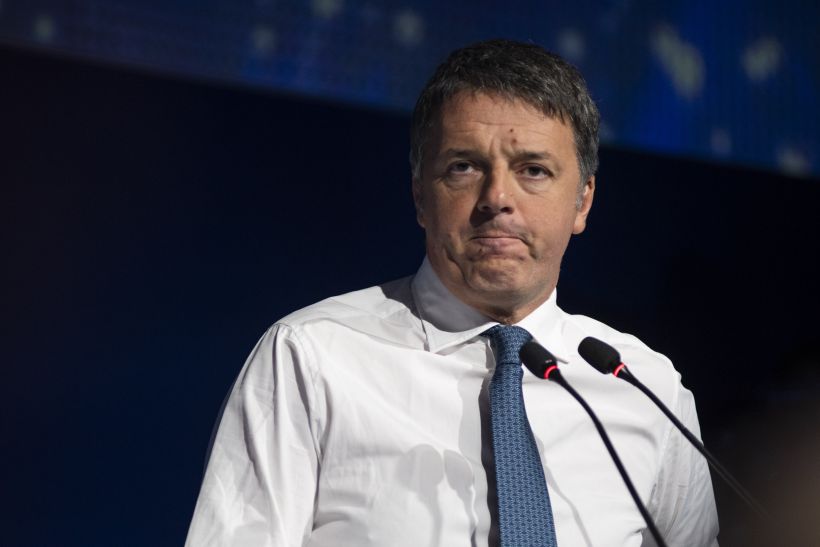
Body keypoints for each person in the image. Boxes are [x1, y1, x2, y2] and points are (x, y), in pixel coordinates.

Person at [185, 39, 718, 546]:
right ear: (420, 195)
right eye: (464, 167)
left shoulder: (646, 388)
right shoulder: (312, 357)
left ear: (582, 201)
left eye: (534, 170)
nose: (497, 198)